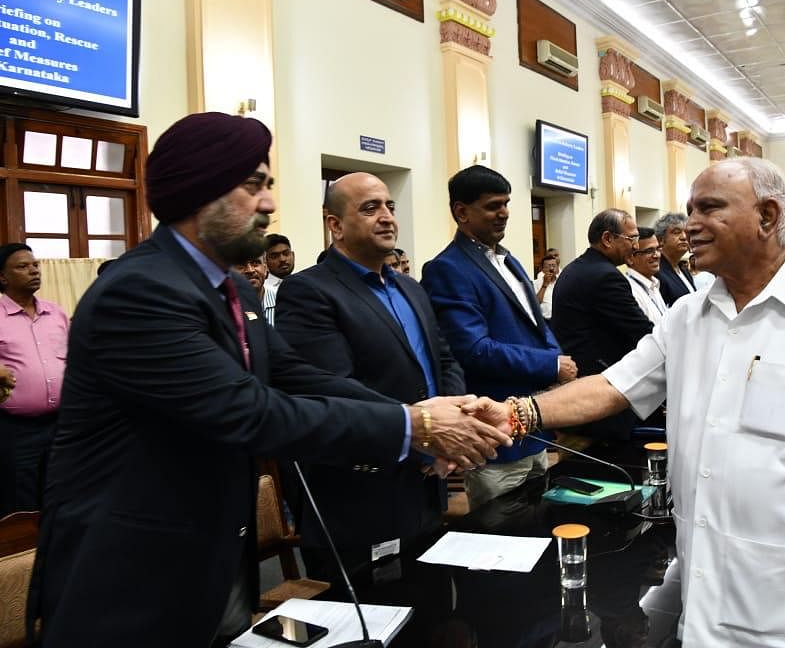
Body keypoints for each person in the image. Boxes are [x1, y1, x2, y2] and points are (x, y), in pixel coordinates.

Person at [27, 112, 510, 648]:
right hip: (130, 574)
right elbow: (249, 411)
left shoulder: (231, 290)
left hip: (210, 557)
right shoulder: (139, 291)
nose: (270, 203)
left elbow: (298, 375)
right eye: (253, 185)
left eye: (268, 185)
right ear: (200, 192)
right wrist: (413, 425)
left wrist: (435, 417)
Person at [468, 158, 785, 647]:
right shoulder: (687, 315)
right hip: (705, 601)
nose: (689, 226)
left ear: (767, 217)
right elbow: (612, 386)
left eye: (709, 209)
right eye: (689, 211)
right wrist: (517, 413)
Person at [275, 172, 466, 576]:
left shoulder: (410, 289)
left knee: (433, 611)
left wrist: (454, 423)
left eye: (390, 206)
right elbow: (335, 389)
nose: (387, 217)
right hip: (360, 497)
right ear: (335, 225)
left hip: (427, 488)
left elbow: (445, 360)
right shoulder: (310, 291)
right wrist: (429, 437)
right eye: (370, 208)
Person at [422, 165, 574, 509]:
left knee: (542, 522)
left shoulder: (509, 260)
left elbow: (537, 324)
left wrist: (555, 362)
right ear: (461, 212)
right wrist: (550, 365)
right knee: (505, 536)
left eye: (506, 204)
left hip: (533, 424)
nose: (503, 213)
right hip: (496, 431)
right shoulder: (448, 268)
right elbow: (473, 349)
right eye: (492, 206)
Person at [551, 209, 653, 441]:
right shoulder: (605, 276)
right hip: (600, 395)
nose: (636, 246)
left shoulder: (578, 267)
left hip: (580, 391)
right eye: (632, 238)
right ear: (608, 239)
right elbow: (641, 332)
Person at [0, 243, 69, 515]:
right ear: (3, 277)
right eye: (22, 266)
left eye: (35, 265)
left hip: (61, 424)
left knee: (61, 493)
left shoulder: (56, 313)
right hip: (15, 429)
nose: (33, 271)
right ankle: (22, 557)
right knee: (21, 501)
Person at [624, 227, 666, 326]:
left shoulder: (654, 284)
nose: (657, 256)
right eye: (649, 251)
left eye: (657, 249)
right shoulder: (630, 290)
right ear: (630, 258)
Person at [654, 212, 696, 304]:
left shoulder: (684, 269)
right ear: (661, 240)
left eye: (686, 232)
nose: (684, 237)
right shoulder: (657, 272)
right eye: (676, 232)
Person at [234, 254, 274, 325]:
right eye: (241, 265)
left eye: (255, 263)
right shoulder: (223, 309)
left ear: (266, 267)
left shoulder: (283, 304)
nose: (250, 270)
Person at [533, 253, 559, 323]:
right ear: (542, 269)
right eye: (548, 266)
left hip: (560, 321)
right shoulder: (535, 283)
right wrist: (545, 284)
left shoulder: (561, 282)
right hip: (545, 321)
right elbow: (536, 303)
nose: (551, 268)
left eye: (554, 266)